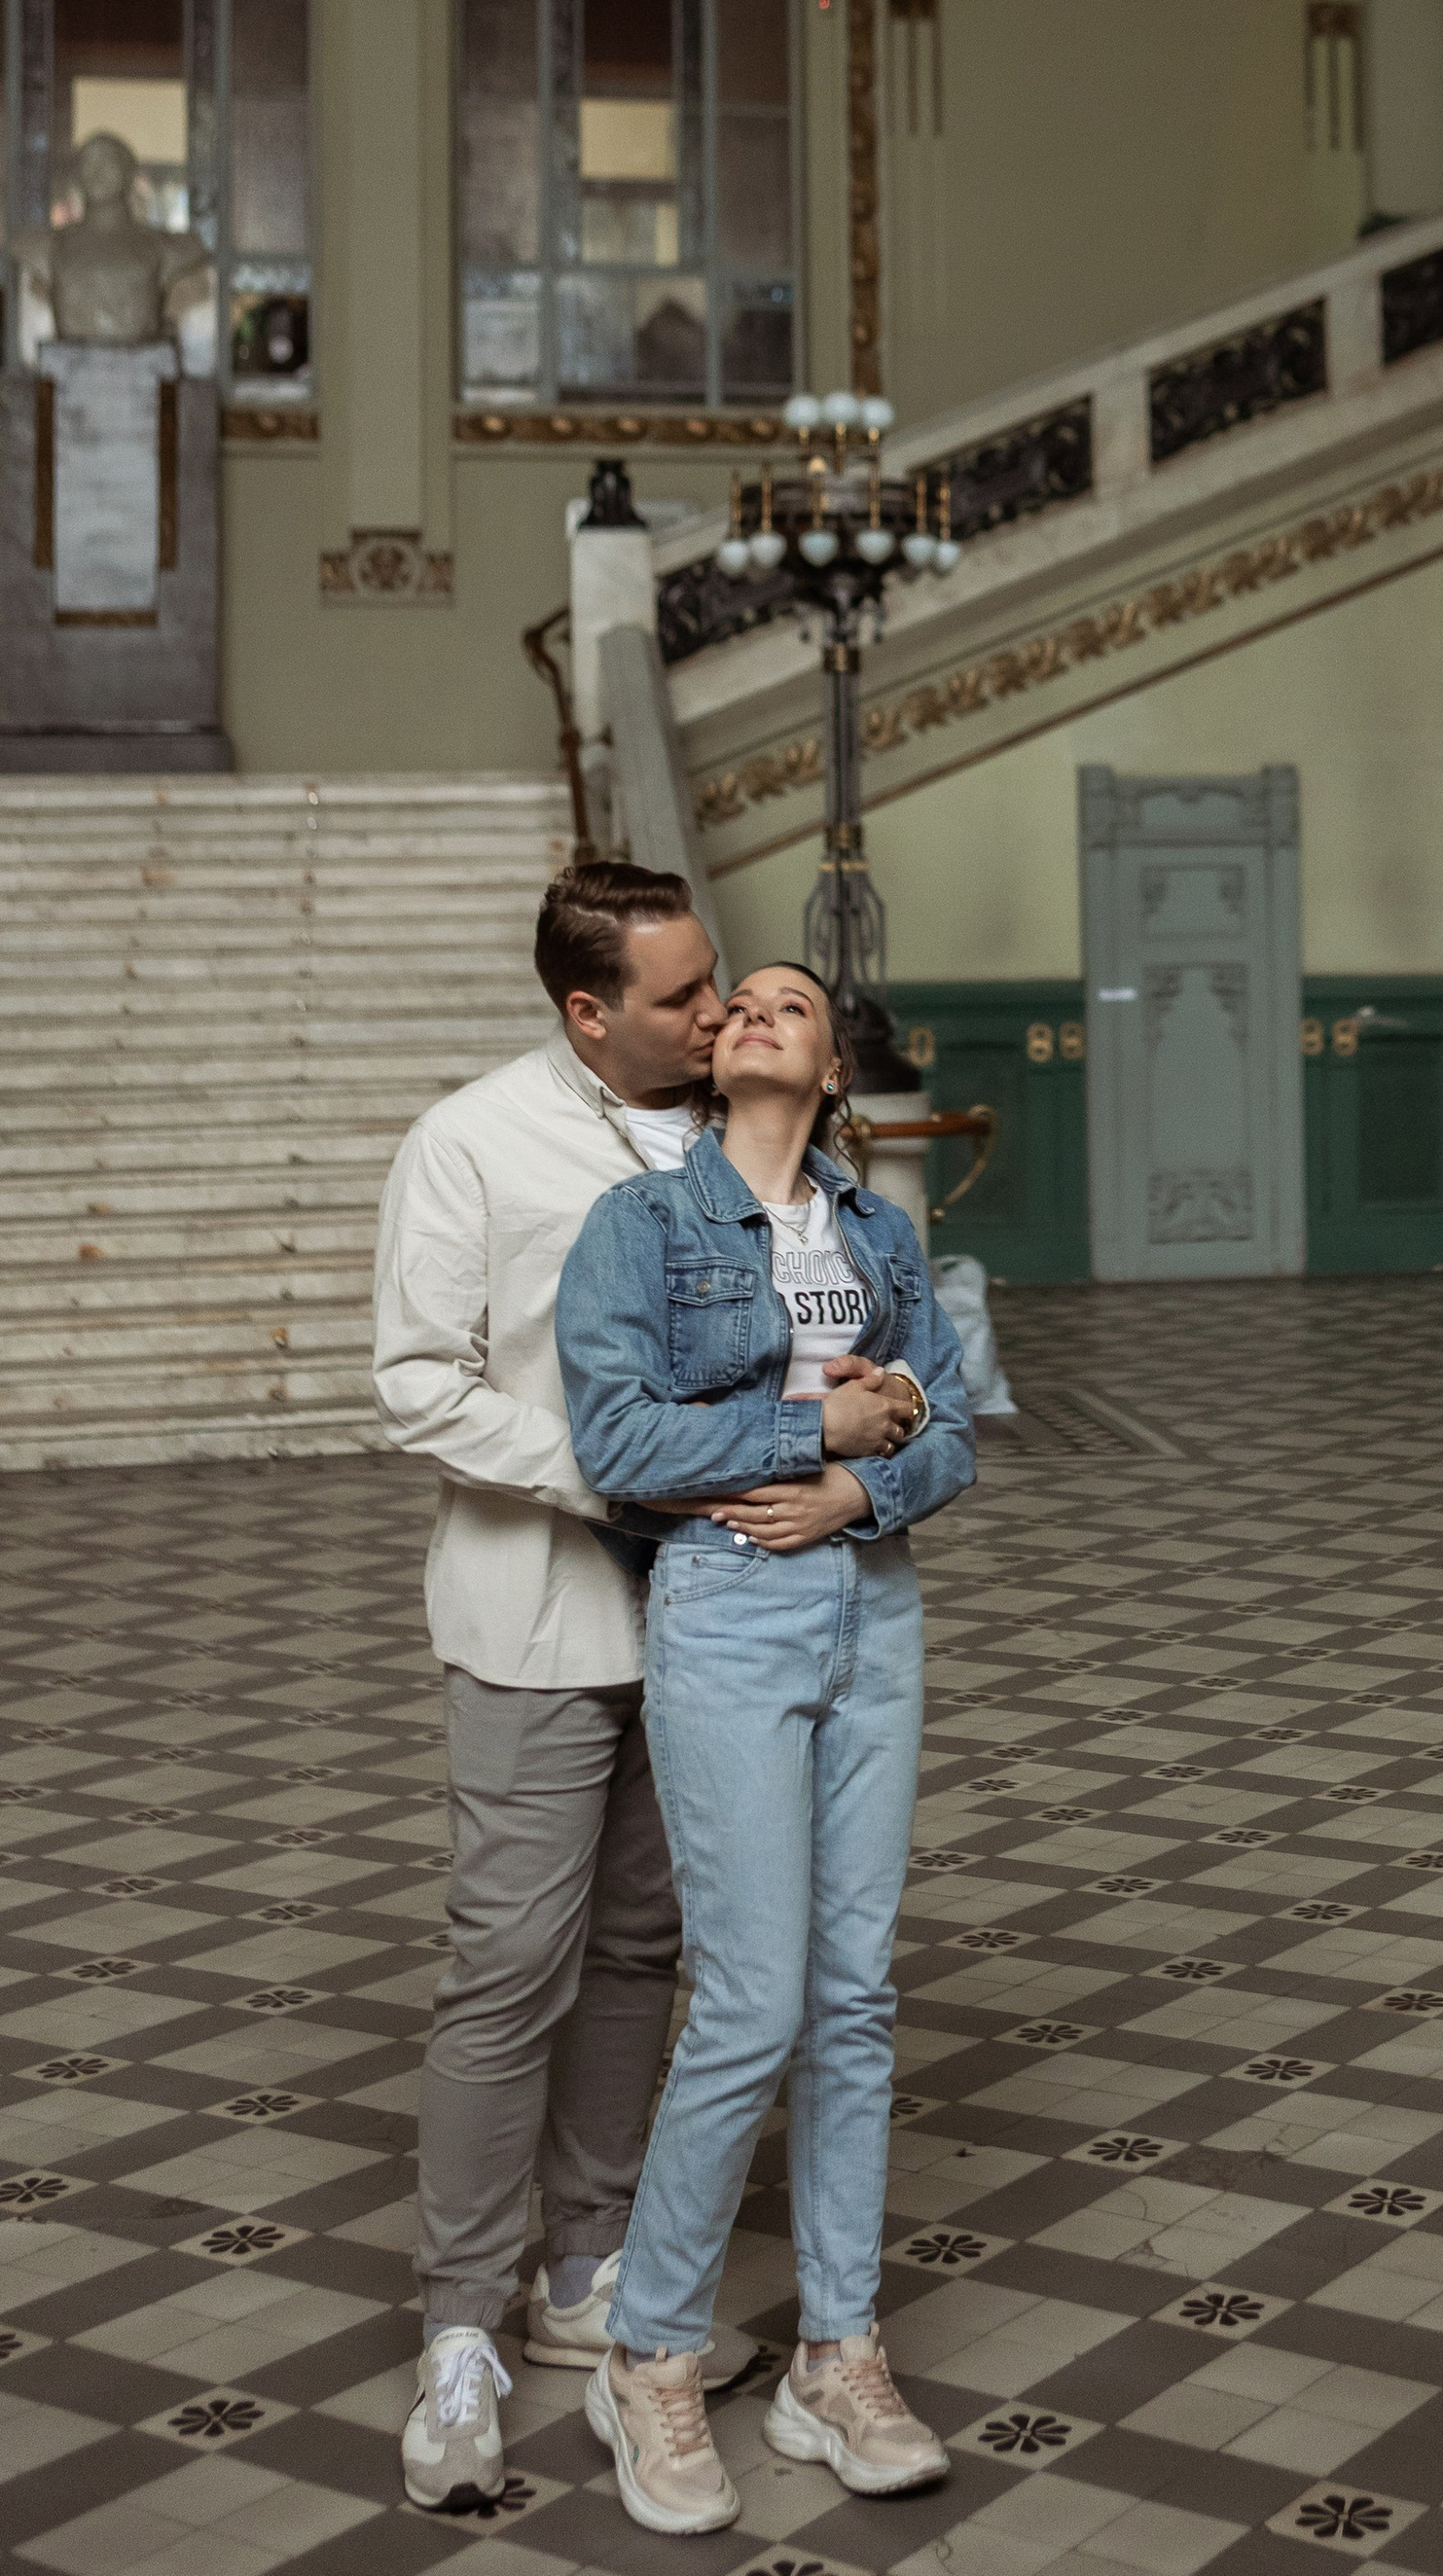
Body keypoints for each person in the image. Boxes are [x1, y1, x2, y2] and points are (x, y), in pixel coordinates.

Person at [555, 960, 974, 2539]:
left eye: (790, 1002)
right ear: (708, 1059)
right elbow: (620, 1440)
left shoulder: (876, 1236)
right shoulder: (642, 1229)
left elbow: (953, 1428)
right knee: (753, 1996)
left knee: (856, 1994)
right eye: (736, 1004)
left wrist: (866, 1491)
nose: (753, 1011)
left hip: (873, 1604)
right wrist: (819, 1436)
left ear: (831, 1062)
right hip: (729, 1603)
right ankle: (652, 2354)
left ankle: (837, 2354)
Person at [374, 863, 757, 2513]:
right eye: (680, 998)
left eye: (716, 981)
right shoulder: (471, 1138)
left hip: (714, 1622)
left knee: (640, 1953)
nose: (715, 1011)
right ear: (587, 1012)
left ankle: (582, 2274)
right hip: (538, 1618)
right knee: (507, 1968)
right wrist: (619, 1474)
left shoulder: (741, 1128)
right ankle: (457, 2328)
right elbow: (418, 1385)